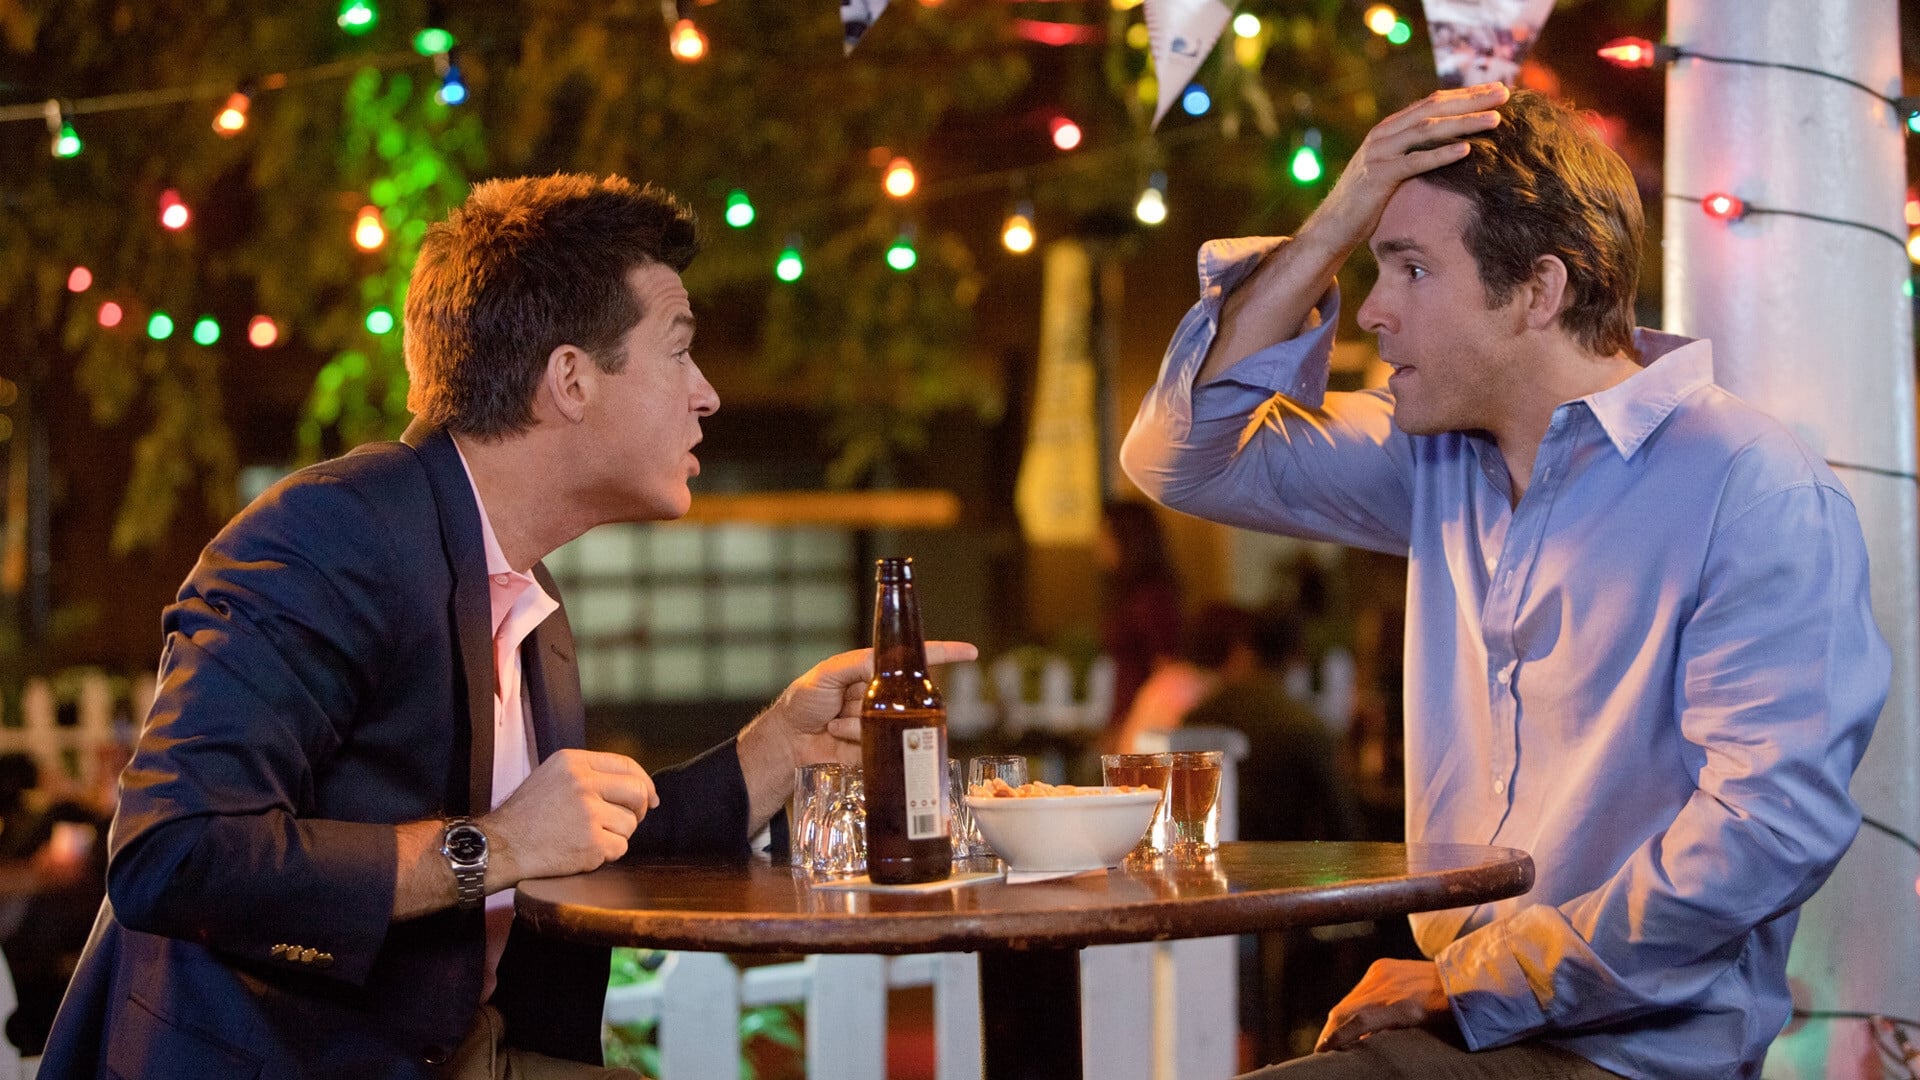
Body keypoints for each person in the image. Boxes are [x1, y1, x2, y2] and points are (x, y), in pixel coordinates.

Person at [37, 174, 975, 1080]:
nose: (707, 393)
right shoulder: (329, 535)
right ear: (570, 380)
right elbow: (174, 851)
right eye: (679, 350)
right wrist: (492, 848)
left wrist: (776, 751)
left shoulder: (523, 589)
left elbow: (569, 837)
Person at [1121, 85, 1887, 1080]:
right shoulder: (1435, 460)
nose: (1373, 311)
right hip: (1454, 1024)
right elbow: (1177, 458)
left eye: (1411, 268)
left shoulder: (1749, 483)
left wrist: (1474, 982)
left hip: (1630, 1059)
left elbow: (1767, 829)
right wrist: (1339, 217)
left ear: (1538, 290)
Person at [1097, 500, 1185, 739]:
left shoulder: (1152, 598)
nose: (1100, 544)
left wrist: (1134, 724)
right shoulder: (1129, 594)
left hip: (1144, 723)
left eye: (1106, 535)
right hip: (1128, 717)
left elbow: (1164, 669)